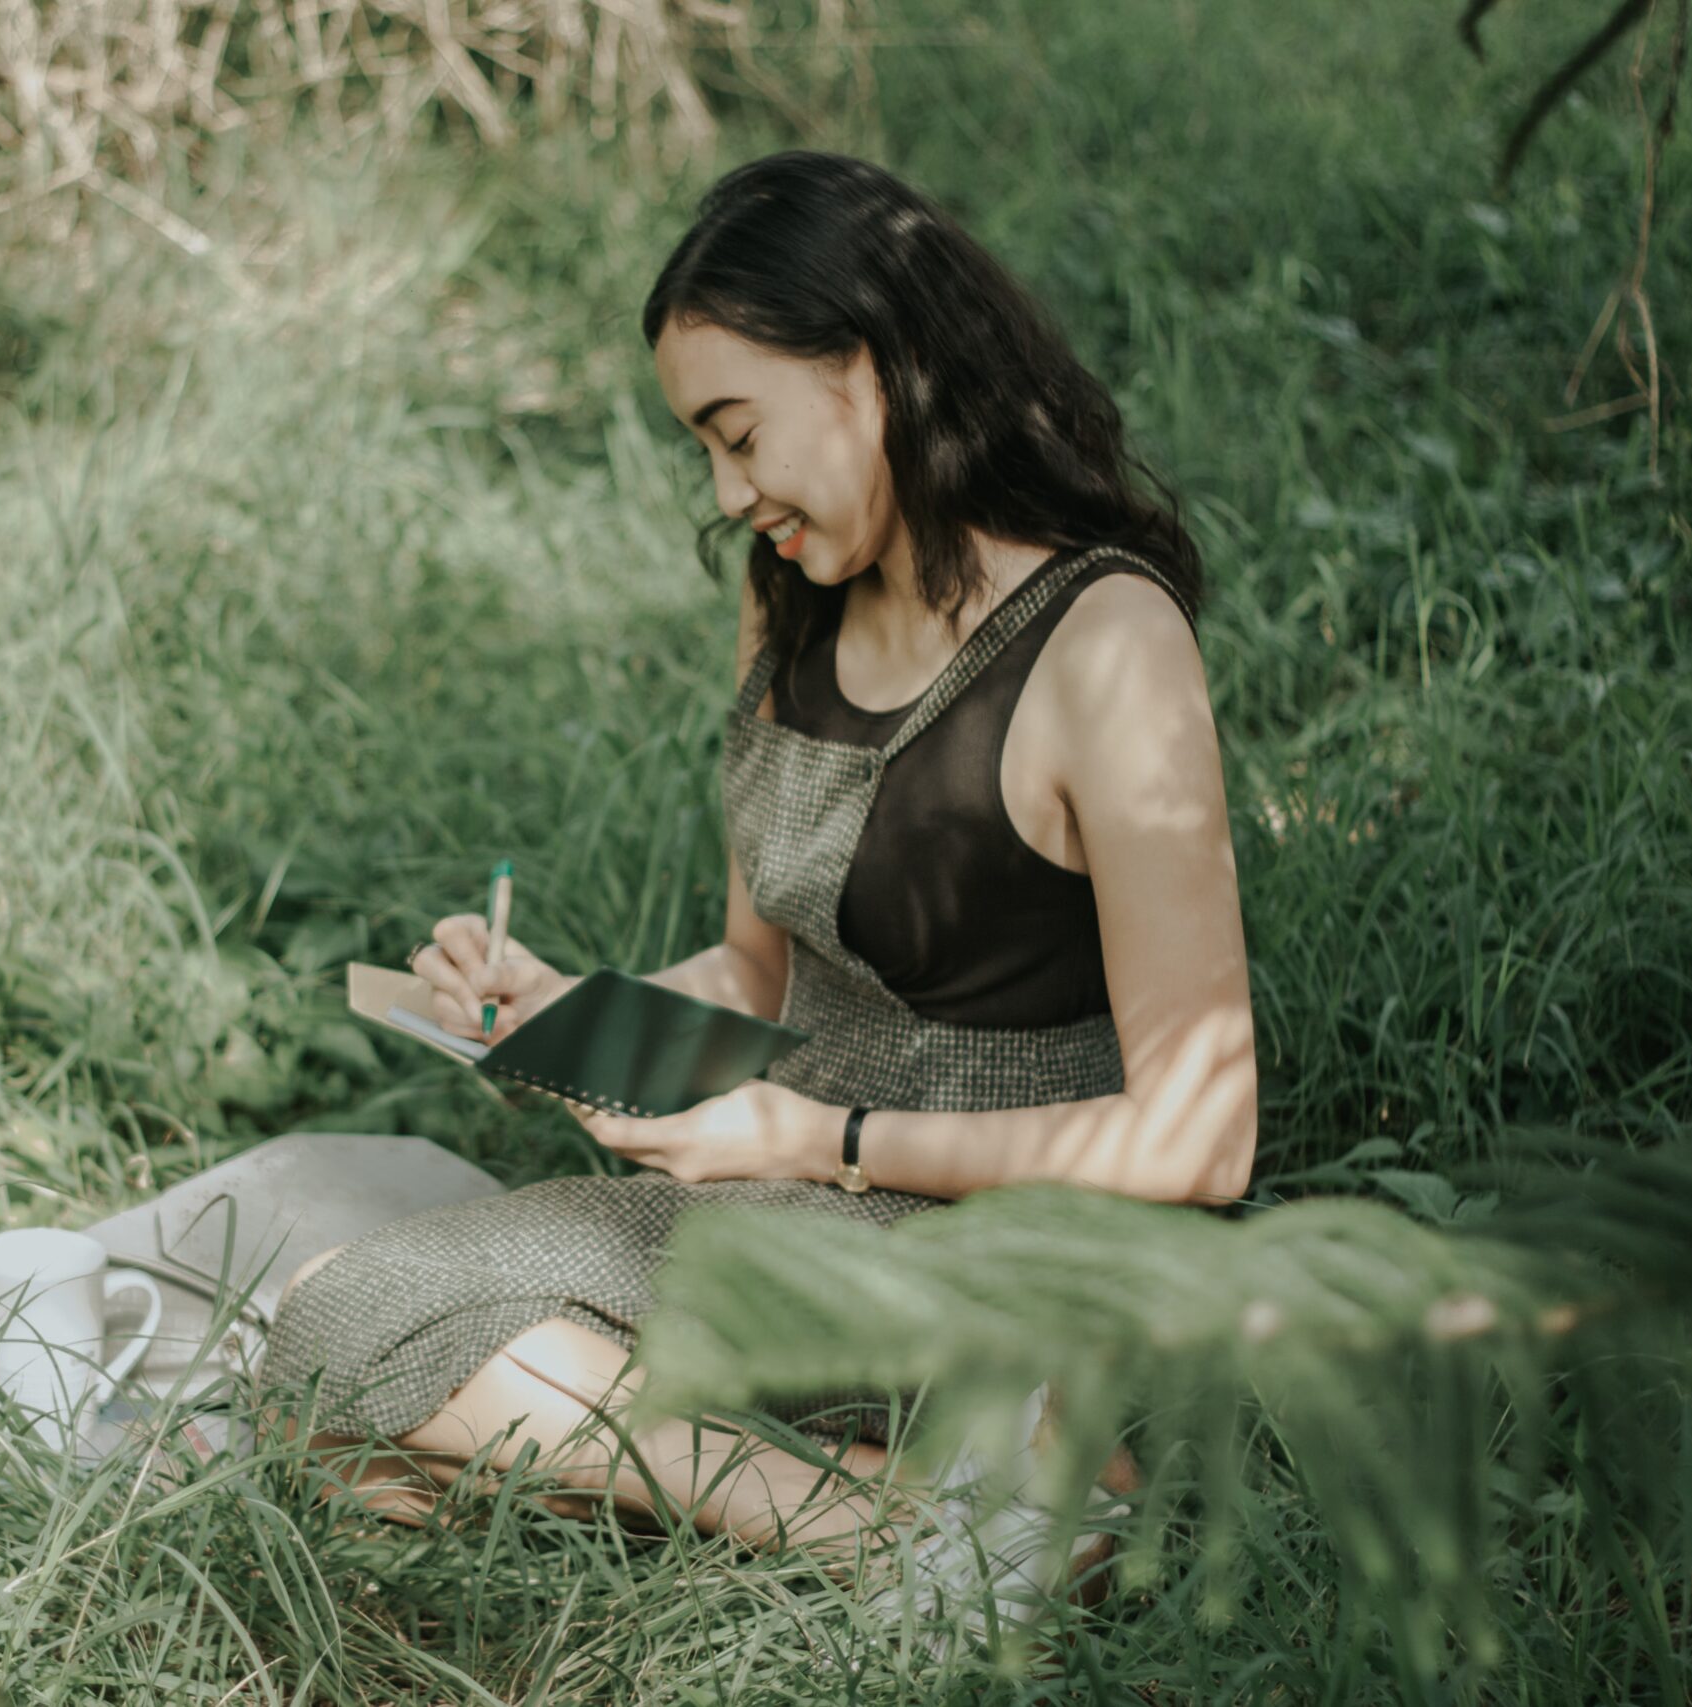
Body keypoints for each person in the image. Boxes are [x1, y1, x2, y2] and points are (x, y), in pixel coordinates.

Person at [257, 150, 1257, 1644]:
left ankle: (928, 1483)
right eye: (703, 455)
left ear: (871, 365)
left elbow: (1205, 1134)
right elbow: (761, 979)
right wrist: (561, 1015)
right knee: (335, 1354)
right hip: (804, 1212)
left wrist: (818, 1134)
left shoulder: (1105, 642)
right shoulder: (788, 601)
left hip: (1025, 1234)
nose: (731, 496)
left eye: (740, 436)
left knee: (366, 1380)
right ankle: (900, 1520)